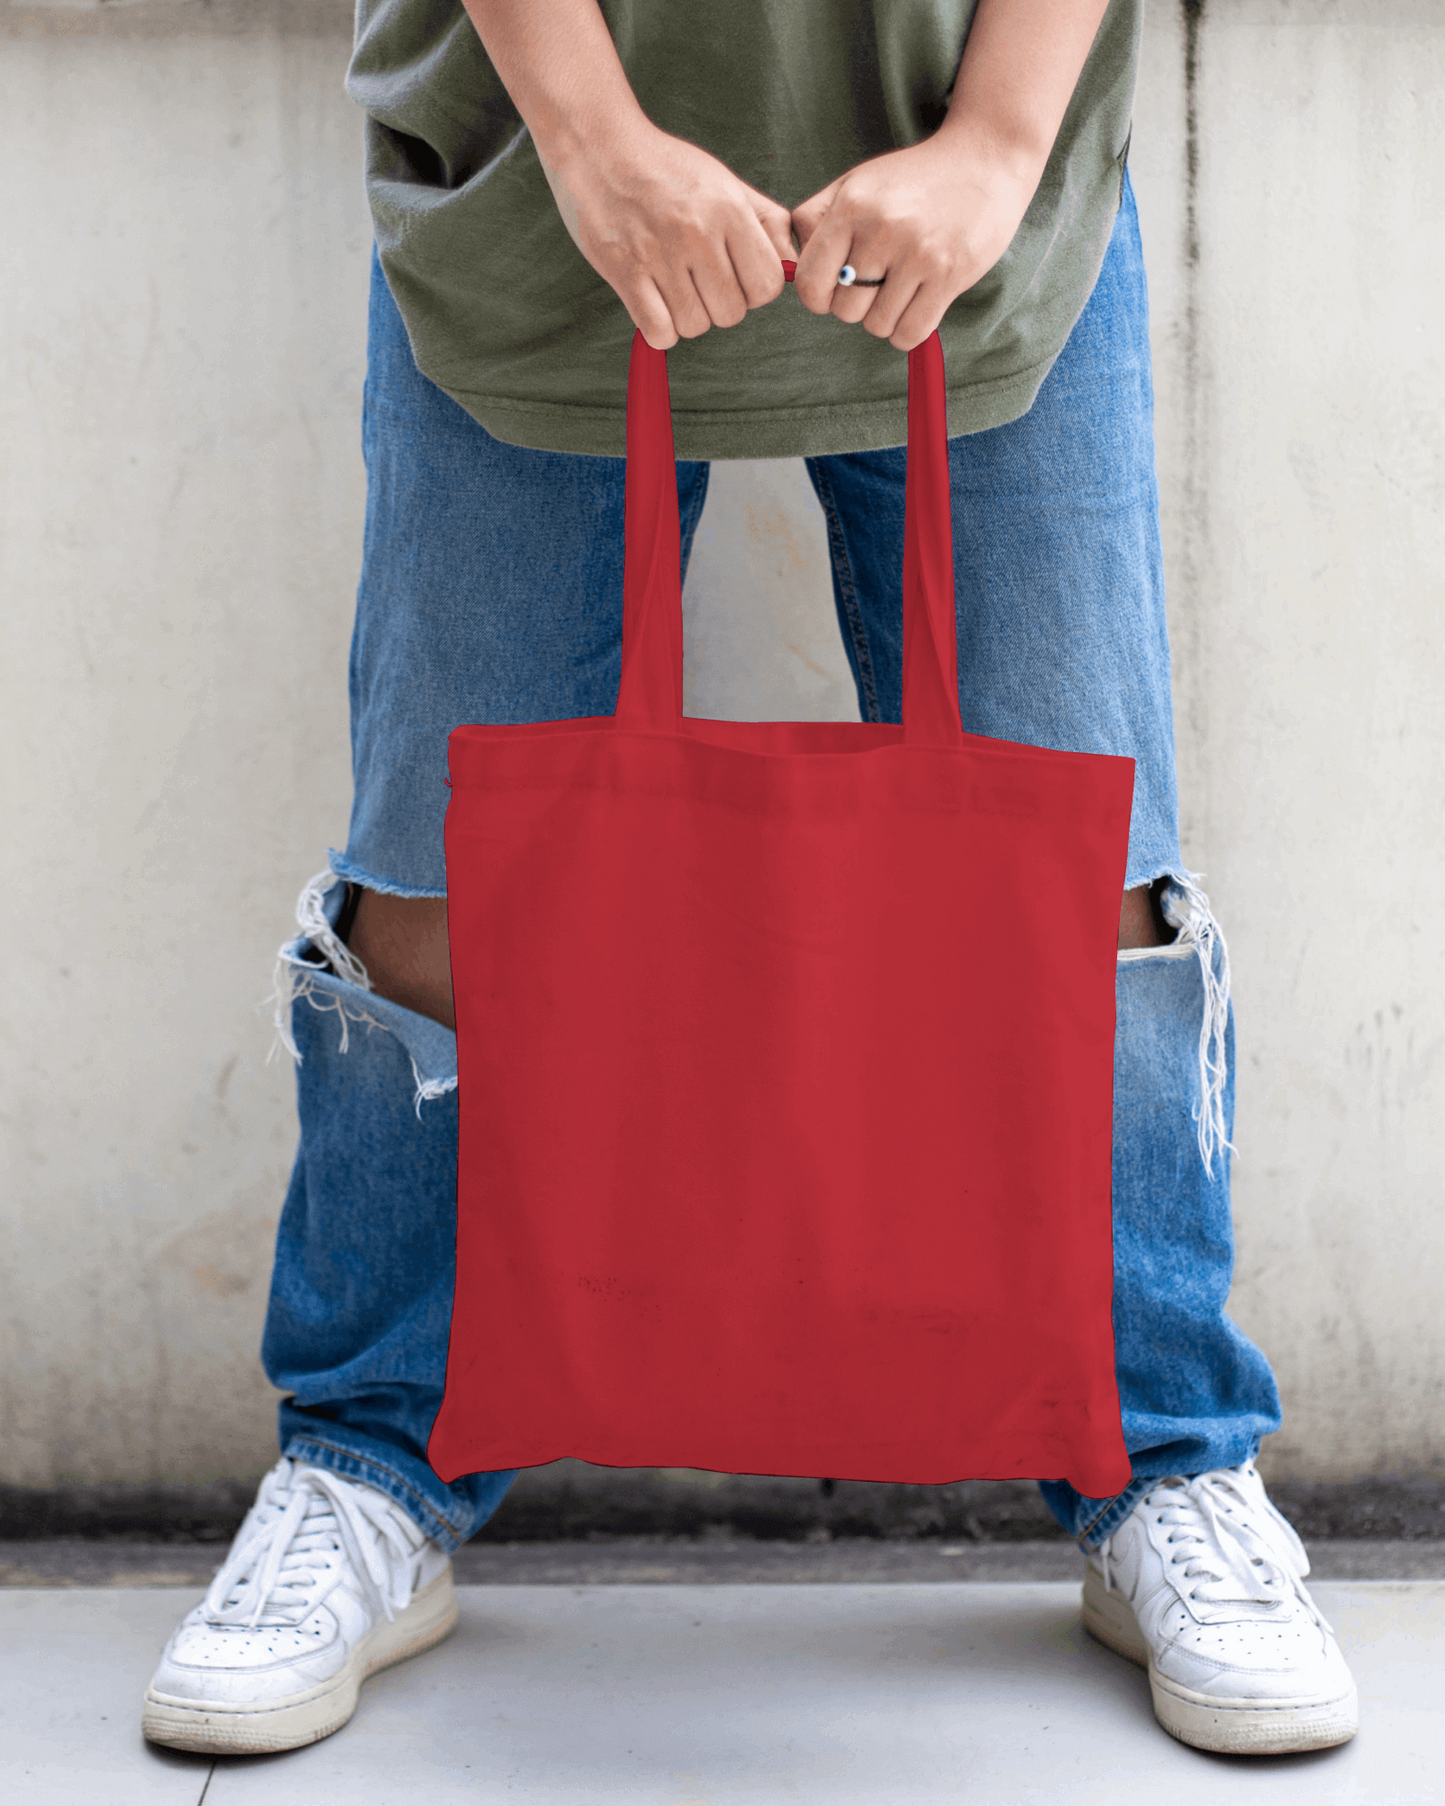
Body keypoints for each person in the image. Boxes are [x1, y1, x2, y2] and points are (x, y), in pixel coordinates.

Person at [142, 0, 1357, 1761]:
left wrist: (1003, 141)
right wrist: (587, 136)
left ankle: (1158, 1451)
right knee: (441, 873)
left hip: (981, 200)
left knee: (1089, 879)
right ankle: (370, 1455)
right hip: (533, 200)